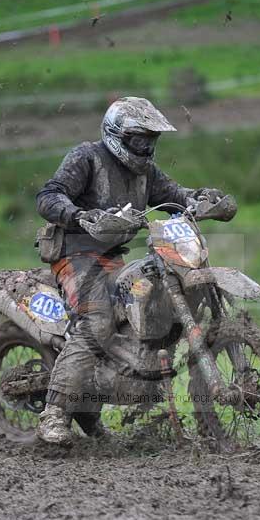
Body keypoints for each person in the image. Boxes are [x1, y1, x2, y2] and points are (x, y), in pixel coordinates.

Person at [35, 96, 227, 445]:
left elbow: (173, 194)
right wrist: (79, 215)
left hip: (113, 257)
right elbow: (49, 195)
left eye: (151, 141)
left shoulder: (145, 172)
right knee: (98, 322)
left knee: (153, 302)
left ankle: (132, 378)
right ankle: (55, 413)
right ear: (117, 135)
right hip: (75, 253)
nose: (146, 148)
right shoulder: (87, 157)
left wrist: (200, 199)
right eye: (140, 140)